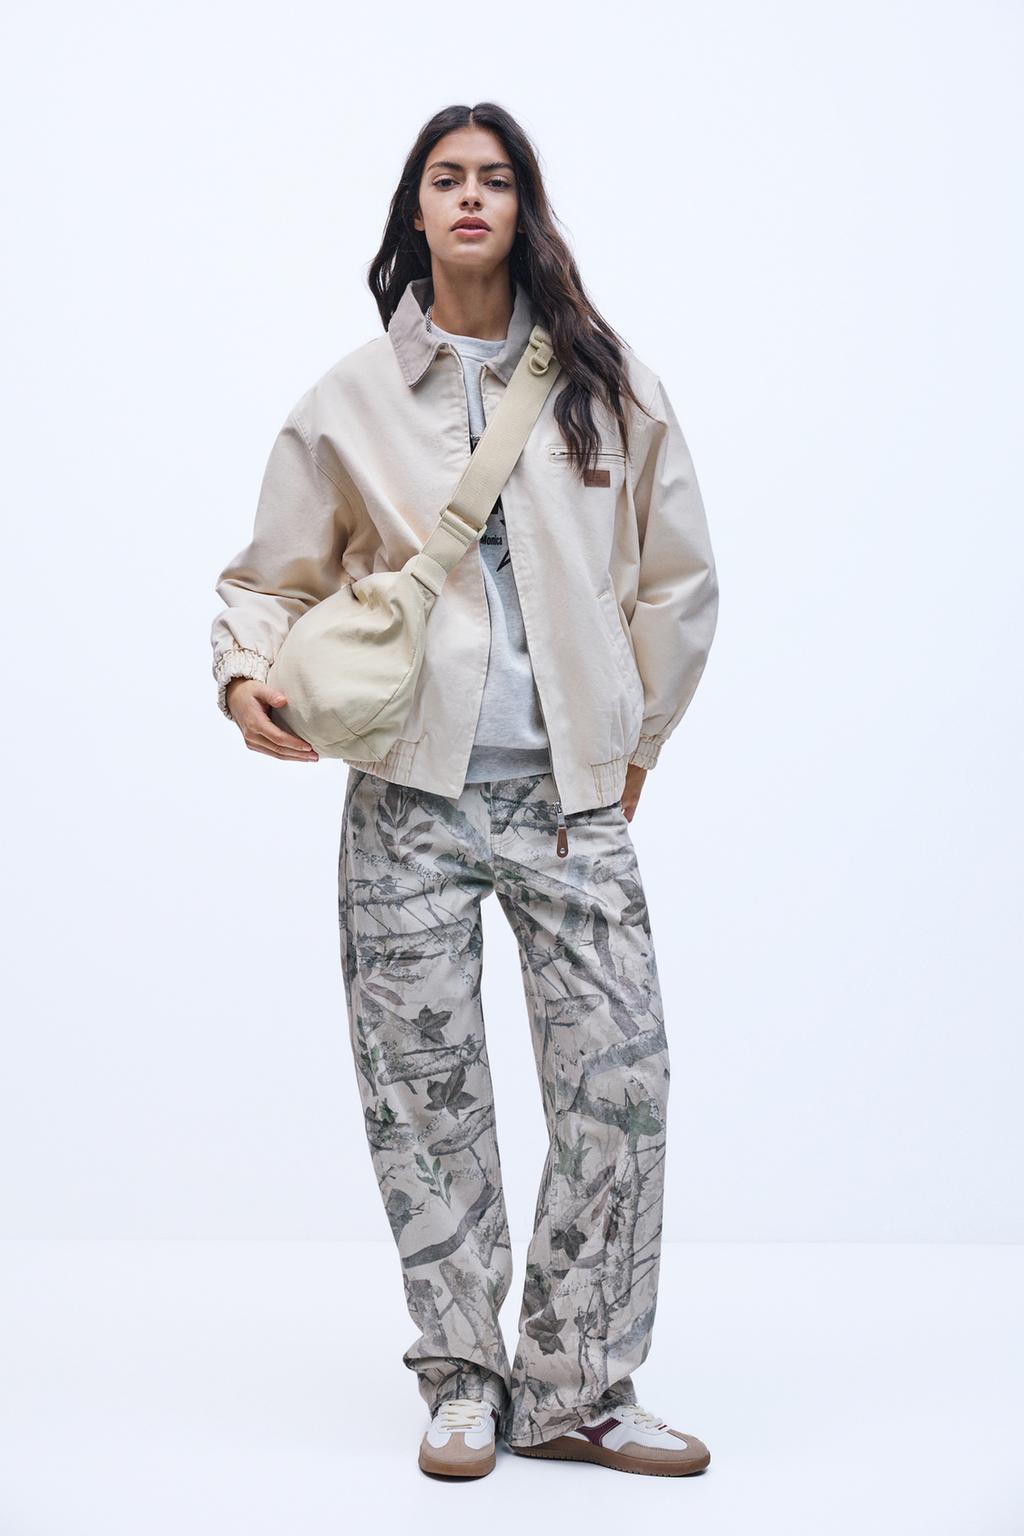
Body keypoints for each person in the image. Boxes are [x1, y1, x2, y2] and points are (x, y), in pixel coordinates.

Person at [210, 101, 719, 1480]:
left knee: (620, 1082)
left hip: (570, 803)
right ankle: (461, 1380)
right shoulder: (351, 399)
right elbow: (268, 577)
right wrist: (244, 675)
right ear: (418, 211)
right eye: (449, 179)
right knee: (424, 1099)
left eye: (496, 178)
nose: (473, 197)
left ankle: (578, 1387)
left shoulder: (609, 383)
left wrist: (635, 745)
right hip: (406, 801)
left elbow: (679, 579)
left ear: (524, 204)